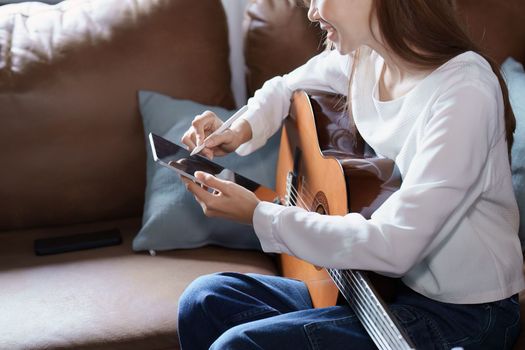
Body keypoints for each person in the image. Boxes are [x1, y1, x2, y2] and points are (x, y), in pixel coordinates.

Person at [177, 0, 524, 349]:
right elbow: (285, 87)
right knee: (203, 300)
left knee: (238, 345)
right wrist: (239, 129)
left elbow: (395, 243)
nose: (312, 13)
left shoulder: (465, 91)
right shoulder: (367, 59)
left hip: (463, 314)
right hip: (380, 287)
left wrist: (259, 215)